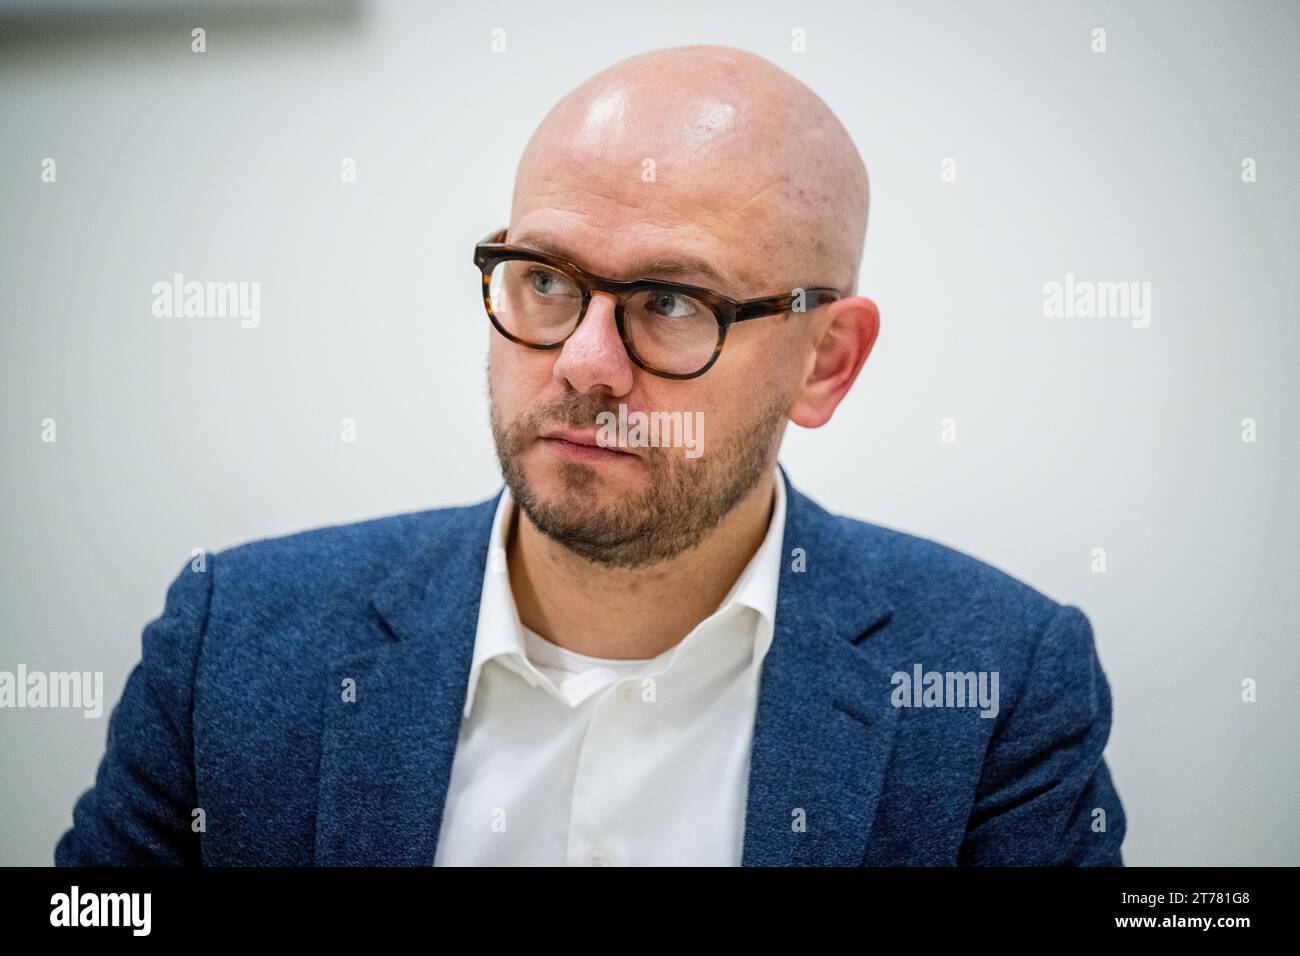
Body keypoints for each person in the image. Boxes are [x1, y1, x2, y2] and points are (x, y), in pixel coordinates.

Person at [55, 44, 1125, 866]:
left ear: (825, 362)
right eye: (548, 279)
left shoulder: (996, 682)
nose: (584, 363)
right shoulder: (233, 641)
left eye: (670, 303)